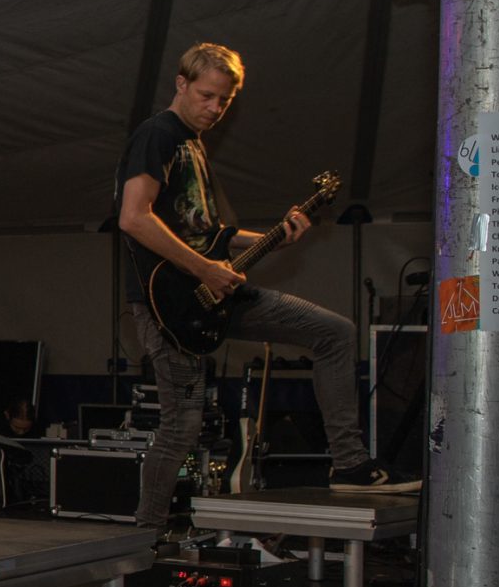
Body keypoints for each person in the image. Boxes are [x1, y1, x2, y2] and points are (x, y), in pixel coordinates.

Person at [116, 40, 411, 536]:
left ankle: (350, 464)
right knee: (182, 424)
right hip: (166, 303)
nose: (215, 109)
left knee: (335, 333)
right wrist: (205, 270)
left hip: (214, 292)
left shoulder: (194, 145)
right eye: (206, 96)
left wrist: (273, 238)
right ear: (181, 84)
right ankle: (146, 537)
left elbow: (209, 234)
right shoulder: (158, 135)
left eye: (225, 101)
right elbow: (133, 217)